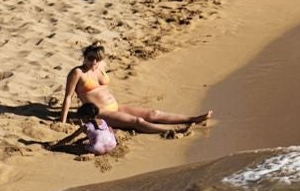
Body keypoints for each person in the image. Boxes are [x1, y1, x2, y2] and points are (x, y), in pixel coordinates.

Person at [60, 43, 210, 135]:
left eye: (97, 59)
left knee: (153, 113)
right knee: (137, 121)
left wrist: (97, 48)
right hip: (100, 112)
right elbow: (68, 97)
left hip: (115, 107)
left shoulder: (100, 66)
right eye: (90, 58)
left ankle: (192, 119)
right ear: (84, 57)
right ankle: (175, 129)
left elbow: (98, 49)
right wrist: (63, 121)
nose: (93, 62)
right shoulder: (77, 73)